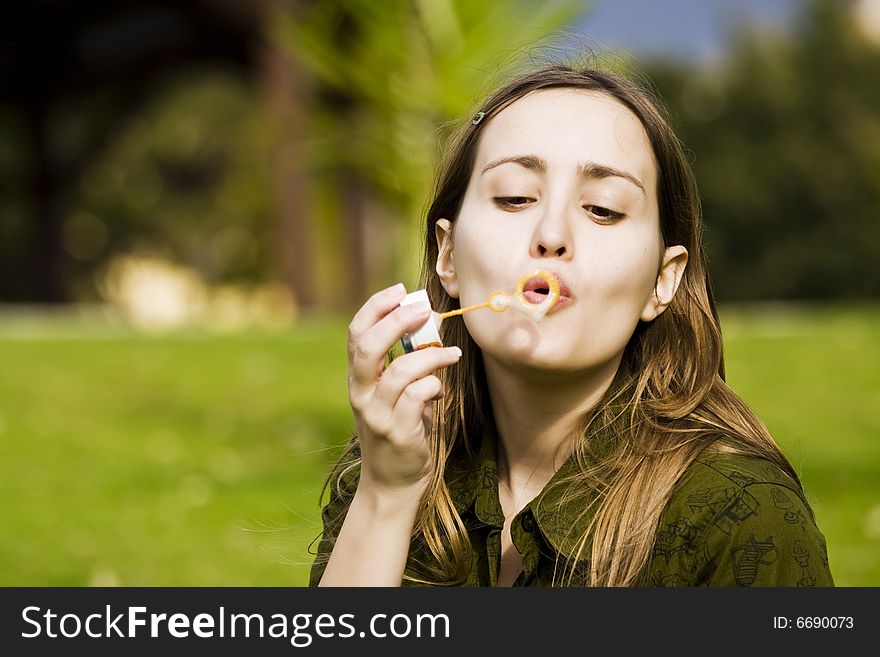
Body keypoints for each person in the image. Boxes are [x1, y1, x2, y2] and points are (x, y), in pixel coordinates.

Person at [308, 59, 834, 587]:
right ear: (448, 256)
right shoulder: (390, 468)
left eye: (603, 209)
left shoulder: (741, 519)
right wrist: (386, 496)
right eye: (515, 197)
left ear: (663, 280)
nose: (552, 233)